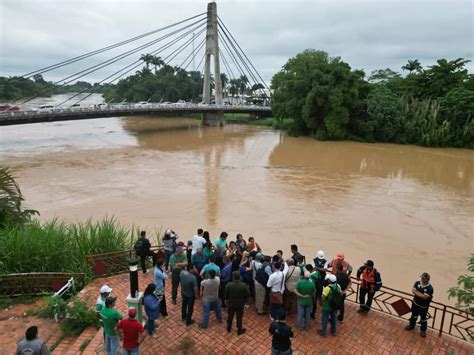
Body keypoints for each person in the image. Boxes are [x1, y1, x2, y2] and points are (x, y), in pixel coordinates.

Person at [405, 272, 434, 338]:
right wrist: (421, 294)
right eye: (421, 277)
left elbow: (425, 297)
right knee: (413, 315)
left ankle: (423, 331)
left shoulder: (430, 288)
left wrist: (417, 292)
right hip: (415, 303)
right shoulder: (417, 283)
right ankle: (411, 326)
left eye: (423, 278)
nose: (422, 279)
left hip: (423, 306)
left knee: (423, 318)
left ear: (427, 279)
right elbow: (413, 291)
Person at [225, 271, 250, 335]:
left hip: (231, 303)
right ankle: (239, 330)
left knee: (230, 316)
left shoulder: (229, 285)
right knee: (239, 317)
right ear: (239, 277)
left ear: (233, 277)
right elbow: (248, 294)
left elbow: (226, 295)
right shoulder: (243, 285)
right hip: (240, 304)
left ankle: (229, 328)